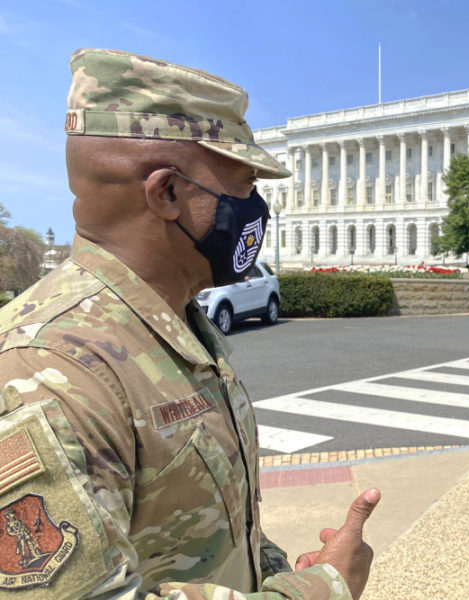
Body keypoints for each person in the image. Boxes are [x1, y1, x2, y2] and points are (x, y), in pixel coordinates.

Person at [0, 48, 379, 599]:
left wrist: (273, 572)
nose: (255, 207)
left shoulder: (168, 321)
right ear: (167, 193)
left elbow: (201, 528)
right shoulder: (47, 370)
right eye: (244, 185)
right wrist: (323, 589)